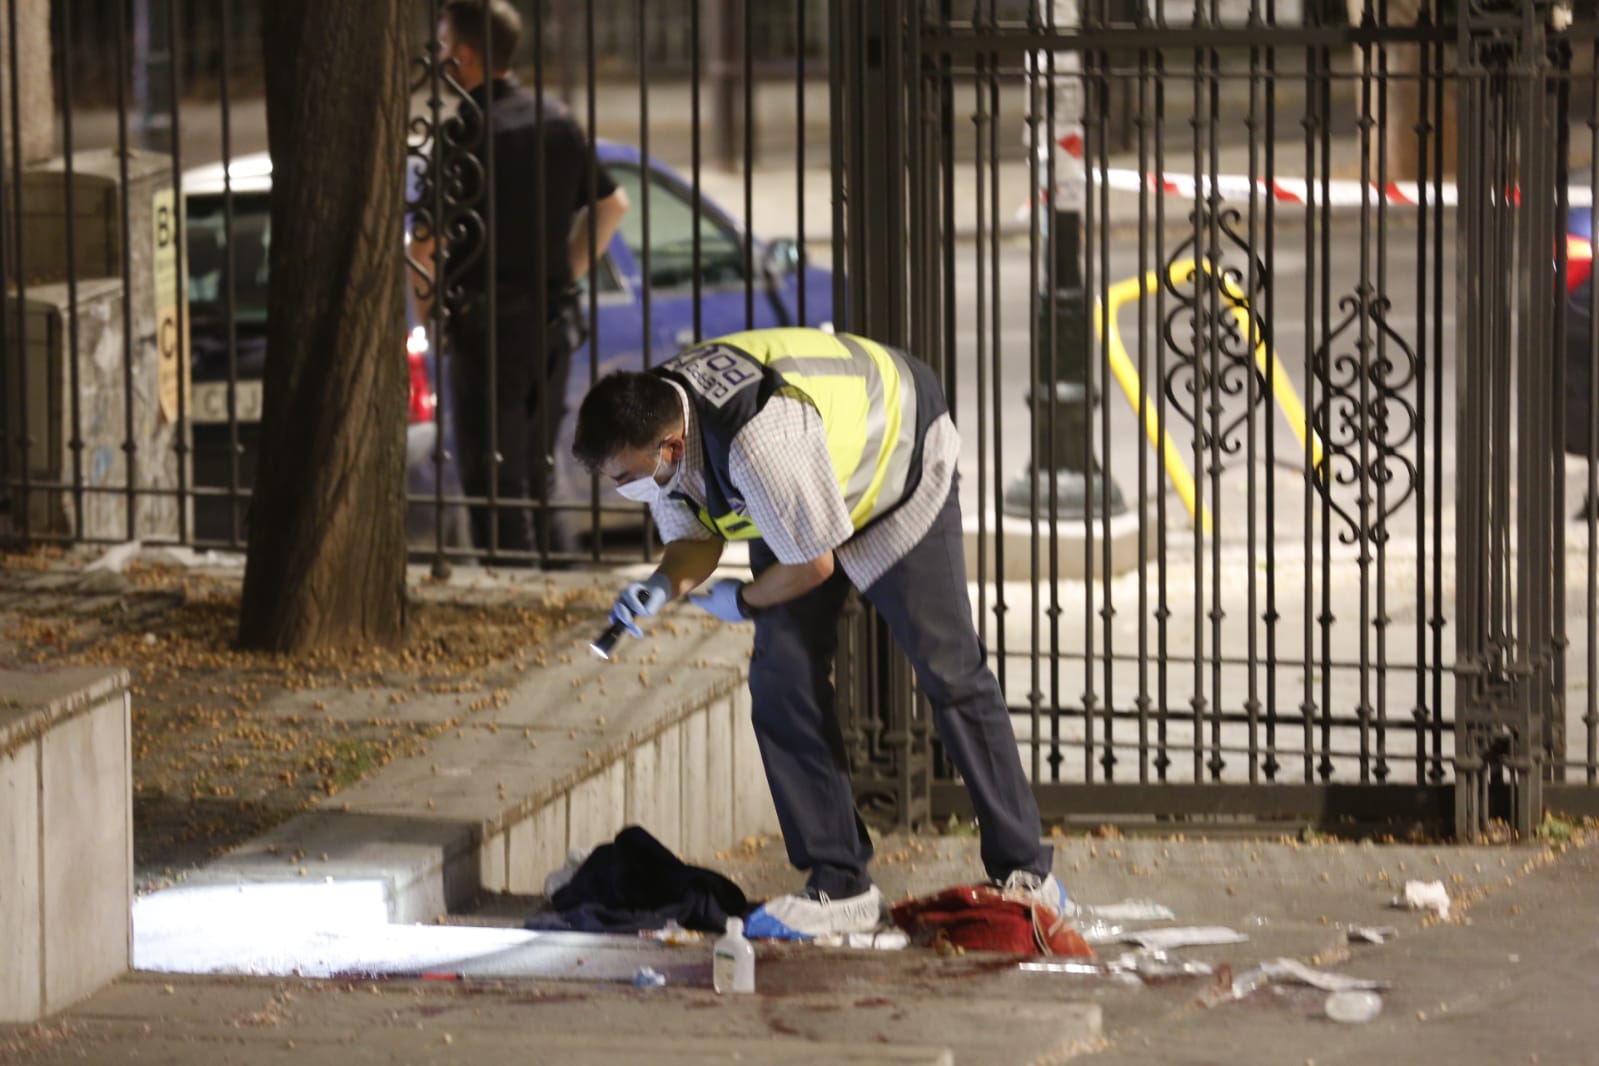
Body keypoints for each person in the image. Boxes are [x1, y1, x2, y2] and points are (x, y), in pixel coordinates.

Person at [571, 327, 1068, 939]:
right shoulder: (661, 422)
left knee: (950, 670)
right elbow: (694, 540)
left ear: (670, 446)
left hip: (895, 471)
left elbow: (813, 565)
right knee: (782, 679)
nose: (625, 488)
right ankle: (841, 884)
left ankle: (1026, 872)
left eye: (627, 476)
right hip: (802, 497)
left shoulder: (756, 442)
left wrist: (746, 600)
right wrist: (663, 584)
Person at [413, 0, 629, 562]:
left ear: (464, 55)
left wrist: (429, 314)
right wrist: (567, 270)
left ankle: (521, 600)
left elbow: (424, 247)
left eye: (442, 44)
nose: (437, 56)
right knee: (538, 475)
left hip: (487, 333)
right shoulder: (556, 121)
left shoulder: (462, 134)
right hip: (552, 328)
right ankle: (557, 591)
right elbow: (613, 205)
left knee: (496, 487)